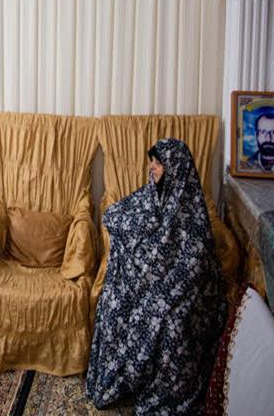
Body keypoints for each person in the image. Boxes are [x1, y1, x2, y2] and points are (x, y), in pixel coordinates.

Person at [86, 138, 226, 415]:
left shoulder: (191, 211)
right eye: (152, 161)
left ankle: (159, 392)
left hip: (181, 292)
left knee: (165, 320)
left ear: (175, 168)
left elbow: (195, 265)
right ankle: (119, 383)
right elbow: (113, 215)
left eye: (159, 163)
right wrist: (141, 235)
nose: (152, 167)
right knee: (113, 303)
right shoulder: (151, 194)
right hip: (143, 281)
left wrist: (160, 289)